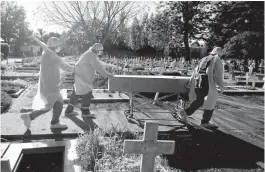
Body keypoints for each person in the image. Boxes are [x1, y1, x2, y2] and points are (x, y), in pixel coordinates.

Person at [21, 36, 74, 130]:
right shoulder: (51, 55)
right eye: (58, 45)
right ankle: (30, 116)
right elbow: (63, 65)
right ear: (54, 46)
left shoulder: (47, 52)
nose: (59, 47)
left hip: (50, 83)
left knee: (59, 102)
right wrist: (75, 69)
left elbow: (44, 45)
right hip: (51, 85)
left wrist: (37, 40)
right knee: (49, 106)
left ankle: (55, 122)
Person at [178, 47, 225, 128]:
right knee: (211, 101)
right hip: (207, 83)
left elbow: (196, 71)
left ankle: (185, 112)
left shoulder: (204, 58)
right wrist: (221, 86)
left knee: (199, 100)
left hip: (198, 82)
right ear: (219, 53)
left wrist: (190, 82)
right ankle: (205, 122)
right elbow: (218, 75)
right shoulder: (216, 59)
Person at [64, 43, 114, 117]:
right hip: (83, 77)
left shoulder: (88, 53)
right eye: (100, 51)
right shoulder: (92, 55)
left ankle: (68, 111)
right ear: (97, 50)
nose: (100, 52)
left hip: (79, 75)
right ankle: (85, 112)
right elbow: (99, 68)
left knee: (76, 93)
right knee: (87, 92)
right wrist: (107, 75)